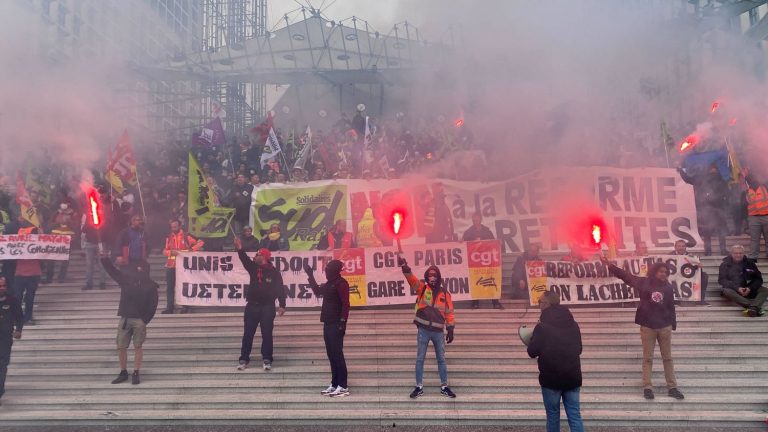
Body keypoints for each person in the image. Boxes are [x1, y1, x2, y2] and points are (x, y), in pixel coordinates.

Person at [600, 255, 684, 400]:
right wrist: (610, 266)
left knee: (668, 358)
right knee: (648, 358)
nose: (663, 274)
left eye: (665, 272)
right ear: (654, 272)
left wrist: (672, 325)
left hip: (664, 326)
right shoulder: (644, 283)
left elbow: (671, 307)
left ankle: (672, 387)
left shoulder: (669, 287)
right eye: (660, 271)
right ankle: (647, 387)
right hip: (647, 326)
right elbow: (626, 276)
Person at [398, 257, 456, 399]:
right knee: (420, 359)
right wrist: (405, 267)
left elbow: (449, 312)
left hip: (438, 332)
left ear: (438, 276)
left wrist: (450, 329)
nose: (432, 277)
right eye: (430, 275)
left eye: (434, 274)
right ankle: (419, 387)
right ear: (426, 276)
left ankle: (444, 387)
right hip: (423, 329)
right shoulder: (422, 287)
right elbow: (412, 280)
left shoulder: (445, 293)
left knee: (441, 359)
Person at [527, 291, 584, 432]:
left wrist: (531, 341)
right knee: (575, 415)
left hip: (551, 378)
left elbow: (532, 352)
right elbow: (579, 349)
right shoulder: (573, 324)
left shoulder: (542, 327)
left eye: (540, 302)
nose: (538, 305)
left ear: (546, 304)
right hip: (572, 376)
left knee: (553, 416)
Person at [101, 256, 159, 385]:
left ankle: (136, 372)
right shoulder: (127, 280)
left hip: (139, 320)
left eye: (141, 269)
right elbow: (113, 272)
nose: (139, 271)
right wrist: (105, 260)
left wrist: (144, 320)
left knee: (138, 346)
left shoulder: (151, 286)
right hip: (125, 317)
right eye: (138, 268)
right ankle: (123, 371)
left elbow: (153, 305)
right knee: (121, 346)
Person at [234, 238, 286, 371]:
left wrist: (282, 304)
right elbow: (244, 259)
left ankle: (267, 358)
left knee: (267, 333)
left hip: (268, 306)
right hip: (252, 305)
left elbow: (280, 288)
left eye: (257, 254)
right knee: (248, 333)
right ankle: (244, 358)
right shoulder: (253, 268)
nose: (255, 256)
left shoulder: (273, 272)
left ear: (264, 257)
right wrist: (240, 247)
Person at [303, 259, 351, 398]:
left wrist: (343, 322)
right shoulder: (329, 283)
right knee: (331, 355)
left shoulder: (341, 283)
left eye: (328, 269)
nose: (326, 271)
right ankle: (335, 383)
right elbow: (317, 291)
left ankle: (343, 386)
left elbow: (346, 304)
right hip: (328, 322)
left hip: (337, 323)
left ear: (334, 270)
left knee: (337, 354)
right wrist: (310, 275)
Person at [679, 165, 728, 256]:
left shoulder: (718, 180)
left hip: (716, 209)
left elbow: (688, 179)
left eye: (714, 169)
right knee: (708, 231)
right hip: (708, 209)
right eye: (712, 169)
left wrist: (681, 171)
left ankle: (720, 250)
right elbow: (688, 179)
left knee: (718, 231)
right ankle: (711, 250)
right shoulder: (704, 179)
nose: (713, 171)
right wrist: (681, 171)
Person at [162, 220, 204, 314]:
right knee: (170, 287)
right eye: (172, 227)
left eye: (175, 227)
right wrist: (170, 252)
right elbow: (164, 251)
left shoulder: (187, 235)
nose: (174, 229)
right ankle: (169, 307)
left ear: (180, 226)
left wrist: (191, 250)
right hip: (171, 265)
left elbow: (201, 242)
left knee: (184, 286)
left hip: (184, 266)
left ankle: (185, 306)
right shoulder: (168, 237)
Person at [464, 213, 503, 309]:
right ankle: (475, 302)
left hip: (487, 260)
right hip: (475, 261)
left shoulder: (487, 231)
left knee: (491, 279)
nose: (475, 222)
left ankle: (495, 302)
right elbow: (464, 242)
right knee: (475, 280)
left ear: (480, 220)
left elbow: (493, 242)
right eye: (474, 220)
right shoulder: (468, 232)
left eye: (477, 220)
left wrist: (498, 242)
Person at [718, 245, 768, 317]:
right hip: (734, 290)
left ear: (744, 253)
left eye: (740, 253)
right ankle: (753, 307)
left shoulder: (750, 263)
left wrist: (750, 288)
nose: (738, 255)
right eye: (736, 253)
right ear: (731, 254)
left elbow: (758, 279)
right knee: (726, 291)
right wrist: (737, 288)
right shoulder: (724, 264)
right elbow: (722, 280)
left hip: (749, 289)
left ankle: (753, 308)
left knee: (765, 290)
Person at [0, 277, 23, 405]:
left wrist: (19, 330)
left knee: (2, 366)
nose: (2, 288)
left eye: (4, 285)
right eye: (0, 286)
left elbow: (20, 317)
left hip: (4, 340)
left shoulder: (12, 301)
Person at [14, 223, 42, 325]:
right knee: (24, 298)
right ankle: (25, 318)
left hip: (25, 274)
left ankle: (23, 318)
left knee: (23, 298)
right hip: (27, 274)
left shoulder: (19, 242)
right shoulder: (38, 244)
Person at [671, 240, 709, 305]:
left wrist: (697, 265)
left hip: (686, 276)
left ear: (686, 247)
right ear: (675, 247)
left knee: (704, 275)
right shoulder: (668, 256)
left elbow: (696, 272)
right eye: (679, 246)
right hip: (675, 276)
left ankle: (700, 300)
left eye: (683, 246)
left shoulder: (690, 256)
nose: (681, 248)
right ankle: (673, 300)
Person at [745, 173, 768, 262]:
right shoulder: (747, 191)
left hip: (766, 216)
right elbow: (744, 206)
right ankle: (753, 257)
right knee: (754, 239)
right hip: (753, 217)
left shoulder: (765, 187)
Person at [81, 213, 106, 290]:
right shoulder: (89, 219)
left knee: (102, 264)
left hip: (101, 243)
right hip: (90, 243)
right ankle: (89, 283)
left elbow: (107, 229)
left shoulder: (103, 218)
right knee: (89, 265)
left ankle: (102, 283)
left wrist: (100, 225)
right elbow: (83, 229)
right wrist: (90, 223)